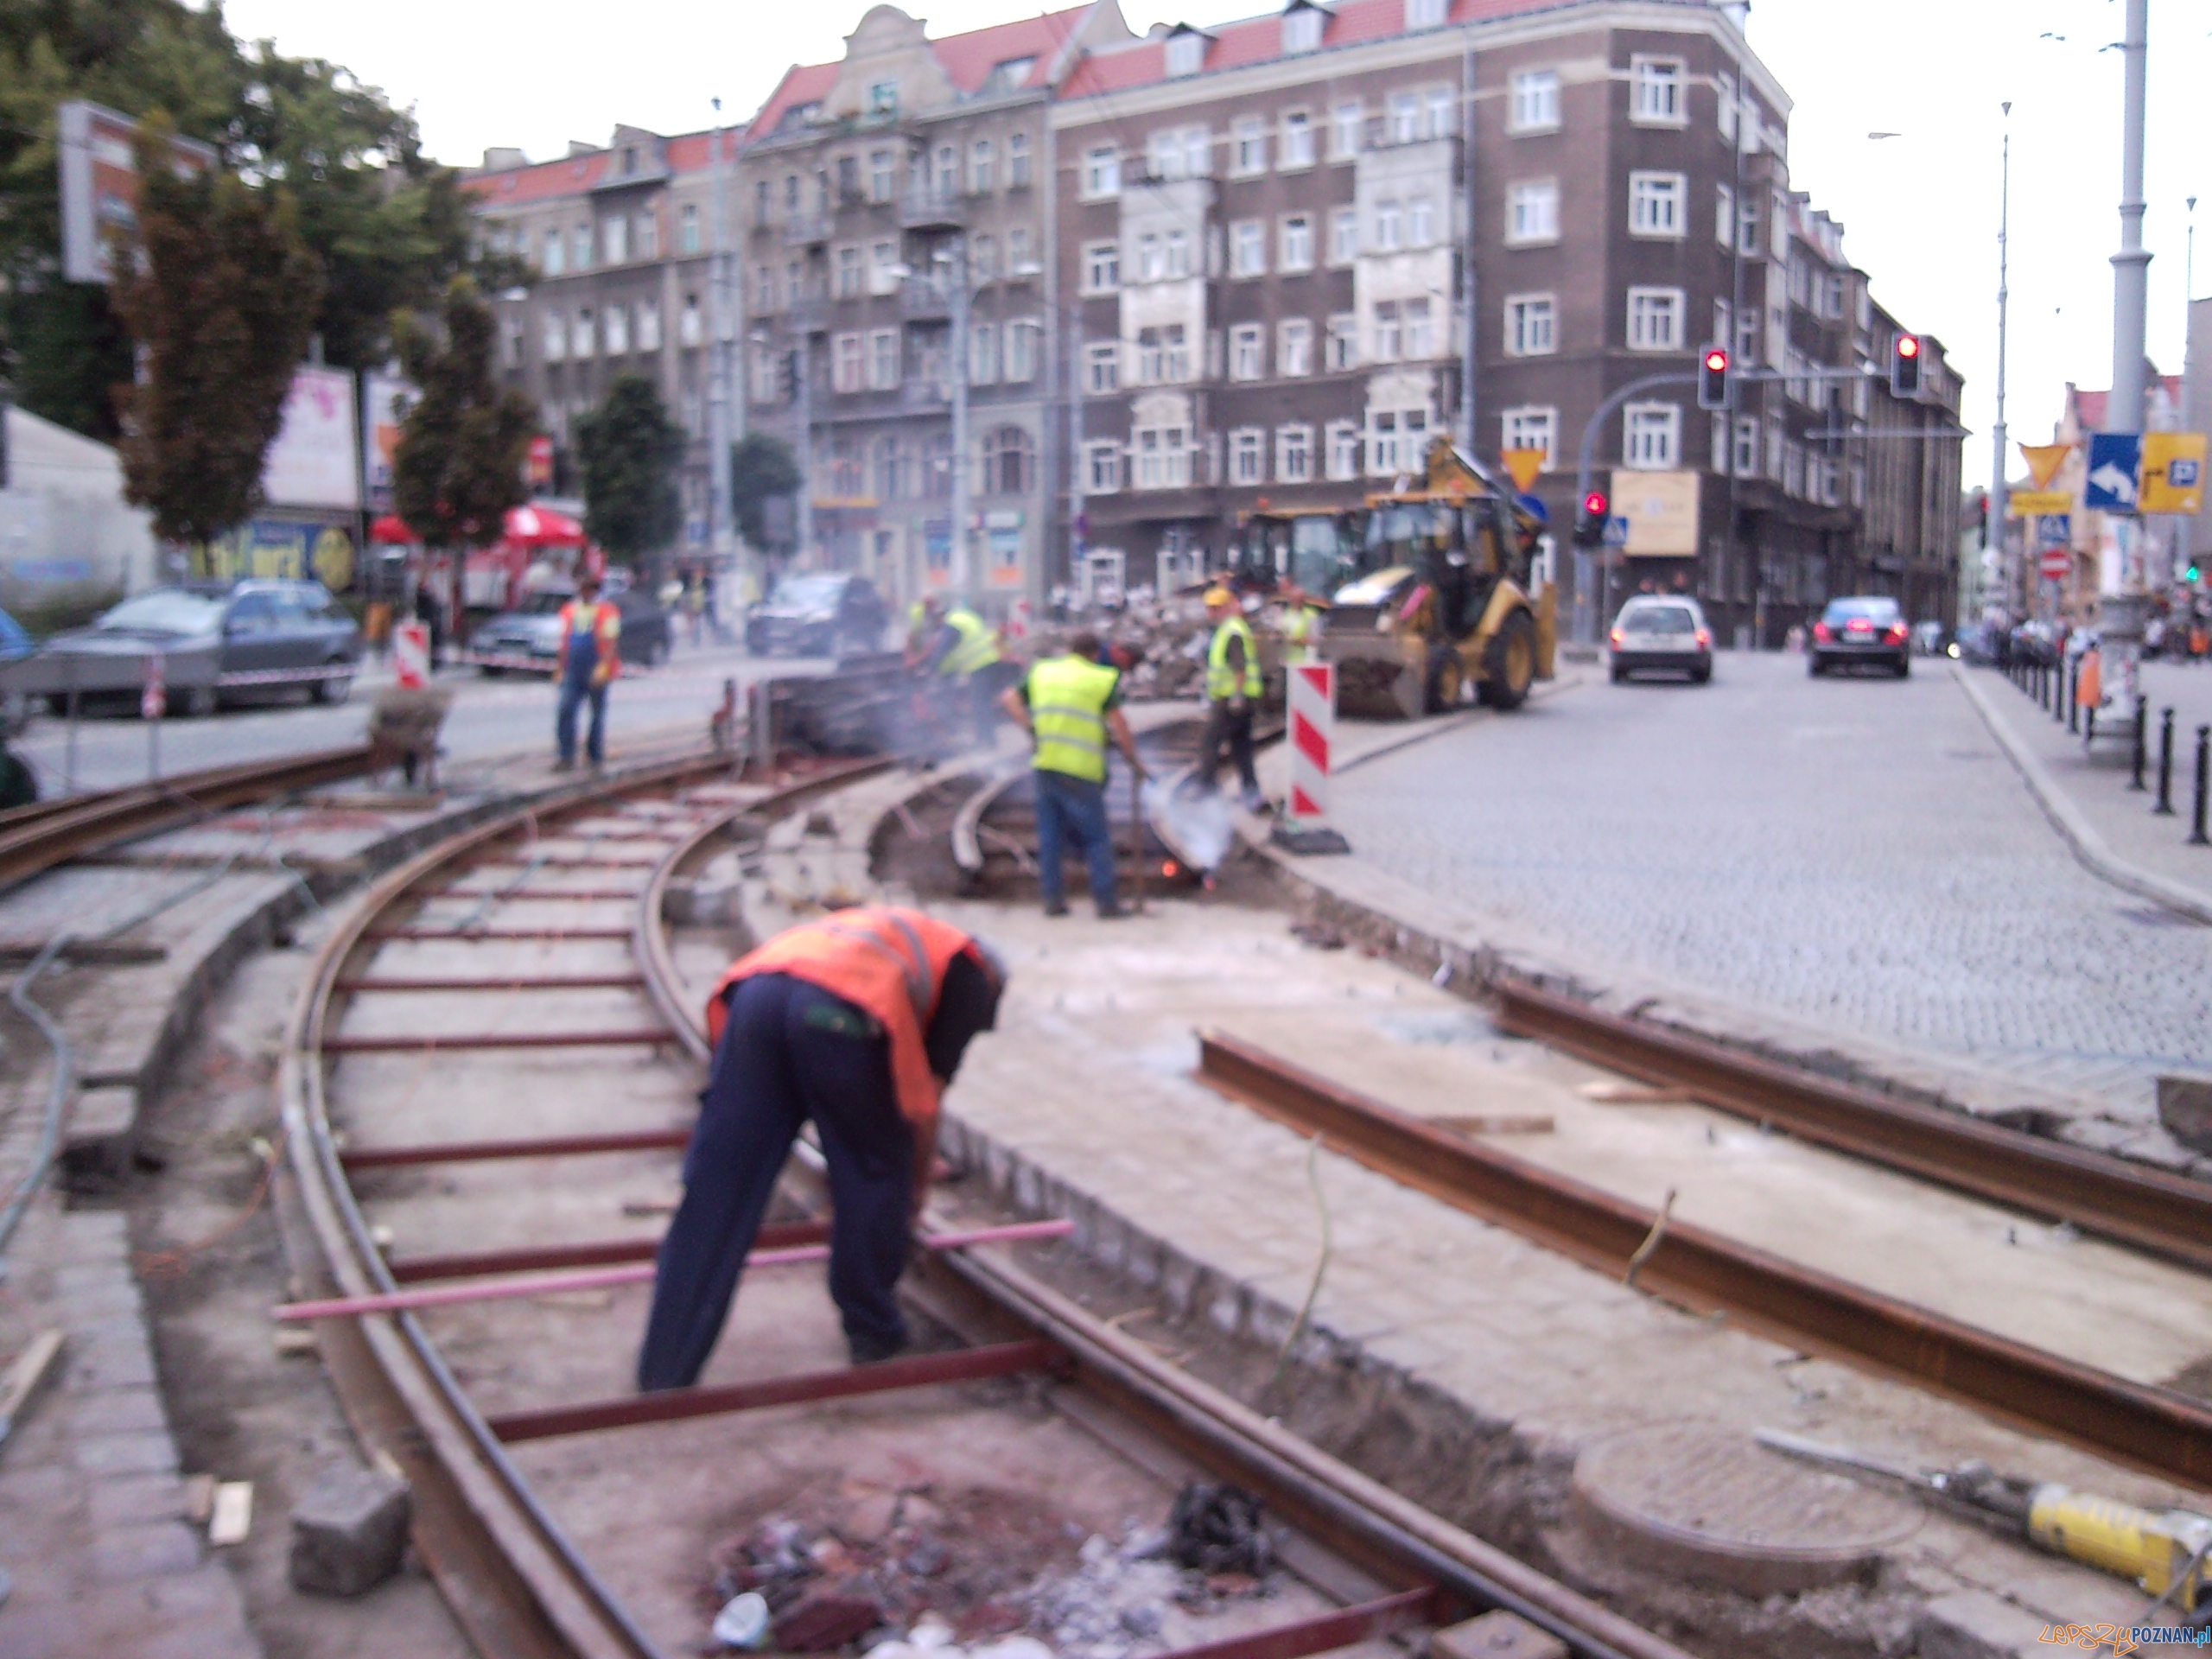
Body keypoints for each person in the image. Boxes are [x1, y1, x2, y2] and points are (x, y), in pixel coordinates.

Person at [636, 906, 1007, 1389]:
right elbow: (923, 1106)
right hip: (837, 1013)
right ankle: (873, 1332)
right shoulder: (971, 974)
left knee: (718, 1189)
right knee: (873, 1173)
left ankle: (664, 1367)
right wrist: (913, 1188)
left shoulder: (895, 931)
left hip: (757, 997)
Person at [1001, 632, 1146, 919]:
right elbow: (1120, 724)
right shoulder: (1100, 679)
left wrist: (1032, 730)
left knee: (1050, 836)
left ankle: (1053, 901)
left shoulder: (1043, 671)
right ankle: (1106, 903)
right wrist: (1133, 761)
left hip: (1046, 764)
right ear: (1094, 654)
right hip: (1081, 769)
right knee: (1096, 838)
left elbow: (1009, 699)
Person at [1198, 587, 1264, 810]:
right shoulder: (1228, 629)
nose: (1212, 612)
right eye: (1209, 608)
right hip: (1237, 699)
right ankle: (1252, 792)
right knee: (1241, 747)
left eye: (1216, 608)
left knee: (1210, 744)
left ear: (1227, 607)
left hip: (1231, 701)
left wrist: (1236, 696)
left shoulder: (1232, 631)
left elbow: (1240, 667)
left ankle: (1206, 792)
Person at [555, 575, 621, 772]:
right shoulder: (570, 610)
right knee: (566, 710)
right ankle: (566, 756)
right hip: (573, 668)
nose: (584, 594)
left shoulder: (608, 611)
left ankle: (595, 754)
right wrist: (560, 667)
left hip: (596, 667)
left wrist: (603, 667)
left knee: (597, 714)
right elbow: (564, 641)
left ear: (595, 591)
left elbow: (611, 641)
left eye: (588, 590)